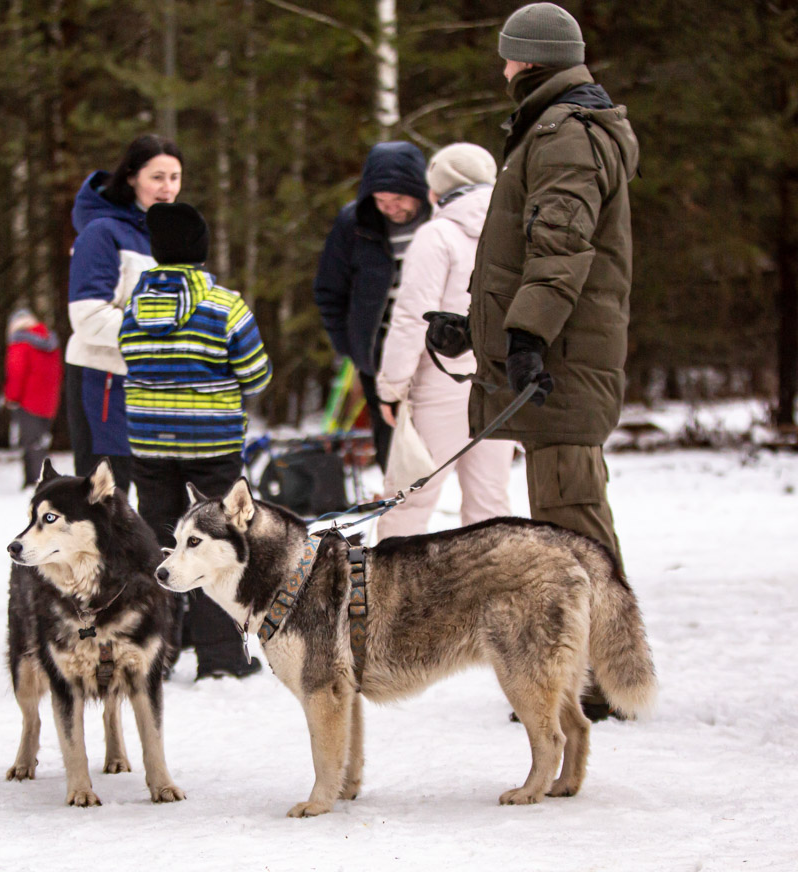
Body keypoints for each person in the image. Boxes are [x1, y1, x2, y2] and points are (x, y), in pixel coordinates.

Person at [425, 2, 640, 720]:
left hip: (567, 356)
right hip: (565, 348)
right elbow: (532, 253)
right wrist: (482, 329)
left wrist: (527, 338)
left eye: (509, 56)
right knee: (566, 514)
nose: (504, 67)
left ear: (531, 60)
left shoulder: (563, 137)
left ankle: (601, 679)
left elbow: (561, 250)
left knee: (571, 515)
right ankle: (588, 671)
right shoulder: (555, 130)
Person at [119, 202, 272, 680]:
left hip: (149, 441)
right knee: (215, 544)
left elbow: (130, 359)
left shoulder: (132, 308)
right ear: (201, 251)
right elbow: (257, 374)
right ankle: (223, 657)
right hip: (212, 442)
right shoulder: (225, 306)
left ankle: (158, 650)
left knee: (158, 537)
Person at [374, 143, 516, 538]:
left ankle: (385, 596)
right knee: (490, 504)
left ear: (437, 189)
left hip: (442, 384)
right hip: (501, 382)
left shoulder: (435, 235)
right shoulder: (516, 231)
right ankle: (490, 596)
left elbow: (411, 318)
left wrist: (391, 388)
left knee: (409, 499)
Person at [65, 134, 183, 492]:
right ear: (131, 177)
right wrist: (162, 334)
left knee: (158, 506)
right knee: (104, 506)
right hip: (105, 383)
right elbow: (88, 318)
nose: (167, 188)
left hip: (156, 388)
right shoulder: (101, 232)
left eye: (175, 177)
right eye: (157, 177)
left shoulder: (171, 236)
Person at [314, 141, 431, 469]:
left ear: (420, 191)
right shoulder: (354, 222)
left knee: (438, 442)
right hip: (378, 356)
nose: (391, 208)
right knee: (392, 448)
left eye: (399, 199)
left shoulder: (439, 221)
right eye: (381, 200)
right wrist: (352, 347)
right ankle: (401, 509)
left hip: (435, 352)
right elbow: (328, 289)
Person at [3, 309, 63, 488]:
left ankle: (36, 481)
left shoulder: (20, 343)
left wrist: (12, 397)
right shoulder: (50, 343)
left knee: (31, 444)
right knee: (40, 442)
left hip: (28, 402)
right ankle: (40, 479)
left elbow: (16, 373)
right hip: (48, 402)